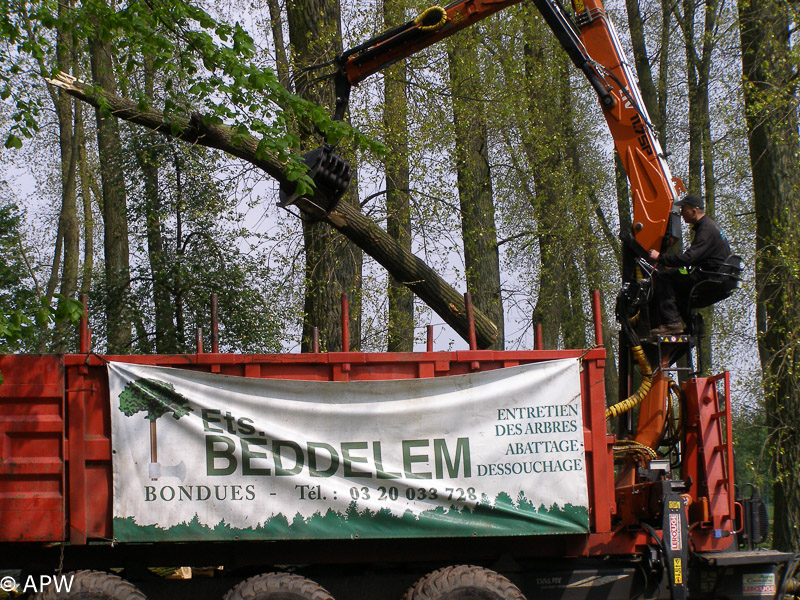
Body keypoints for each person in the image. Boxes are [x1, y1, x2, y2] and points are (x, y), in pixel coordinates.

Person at [648, 194, 731, 335]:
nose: (681, 213)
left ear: (694, 210)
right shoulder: (712, 226)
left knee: (664, 277)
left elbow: (689, 257)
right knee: (679, 286)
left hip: (709, 276)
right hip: (716, 275)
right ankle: (696, 326)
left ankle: (671, 324)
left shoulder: (705, 229)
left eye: (684, 209)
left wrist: (660, 258)